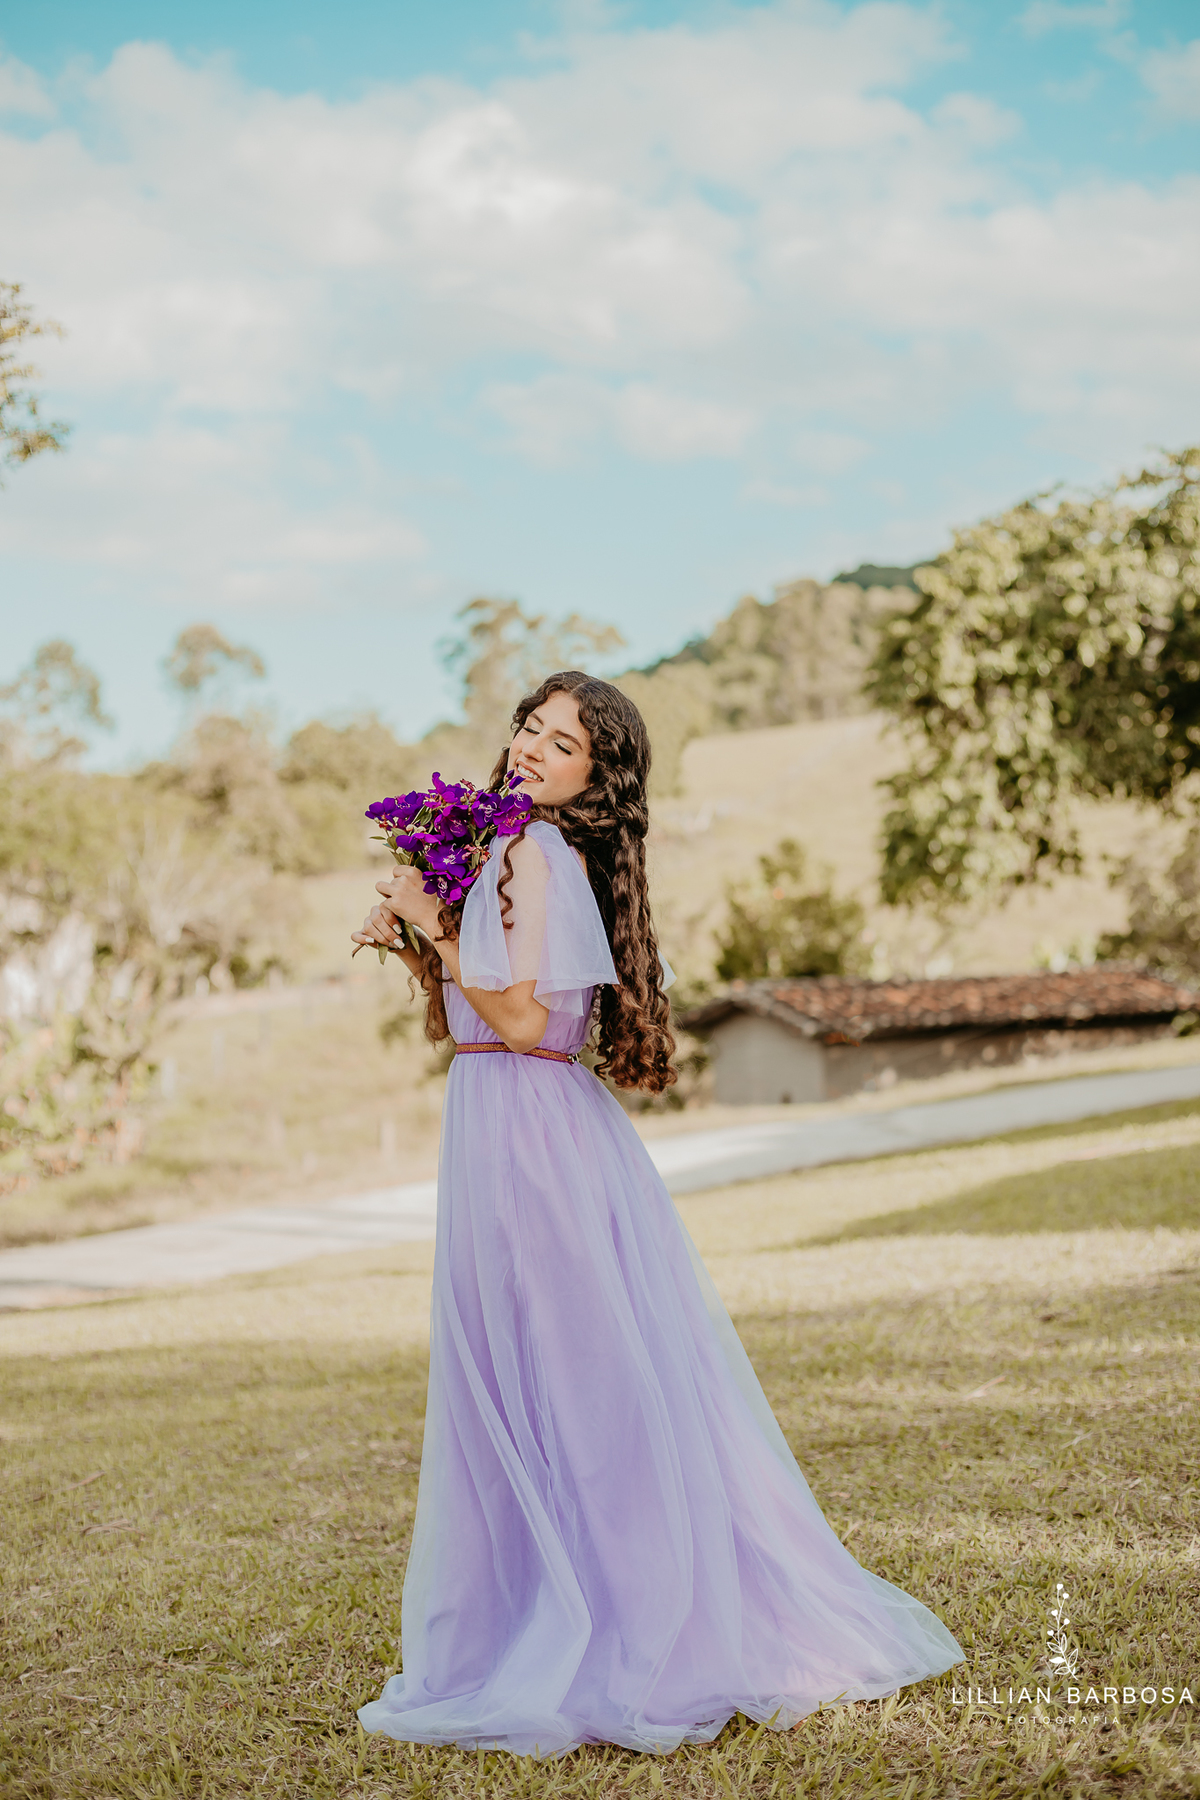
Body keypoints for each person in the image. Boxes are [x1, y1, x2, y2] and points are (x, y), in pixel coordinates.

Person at [351, 671, 962, 1759]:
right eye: (530, 729)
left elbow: (531, 1020)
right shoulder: (505, 848)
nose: (534, 749)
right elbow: (476, 1027)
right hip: (493, 1125)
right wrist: (417, 944)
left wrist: (432, 932)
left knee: (580, 1382)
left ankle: (632, 1627)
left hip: (536, 1141)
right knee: (519, 1376)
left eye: (564, 743)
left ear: (597, 777)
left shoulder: (539, 853)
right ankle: (538, 1614)